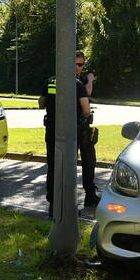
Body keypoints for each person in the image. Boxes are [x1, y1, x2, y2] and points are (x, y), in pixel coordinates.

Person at [40, 54, 98, 215]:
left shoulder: (50, 81)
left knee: (53, 167)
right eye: (76, 64)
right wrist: (82, 117)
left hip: (52, 130)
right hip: (72, 132)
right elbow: (86, 110)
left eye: (80, 65)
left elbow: (41, 103)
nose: (78, 68)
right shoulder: (76, 84)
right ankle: (69, 205)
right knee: (72, 166)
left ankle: (54, 204)